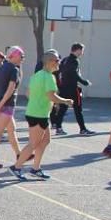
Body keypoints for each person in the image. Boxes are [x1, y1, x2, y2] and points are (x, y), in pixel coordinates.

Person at [10, 51, 73, 180]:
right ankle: (16, 167)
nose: (58, 63)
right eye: (56, 61)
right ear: (49, 62)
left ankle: (36, 168)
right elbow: (51, 96)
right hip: (38, 115)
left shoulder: (37, 75)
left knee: (45, 141)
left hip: (39, 113)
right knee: (33, 143)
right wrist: (65, 101)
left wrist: (42, 101)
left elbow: (28, 93)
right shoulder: (49, 77)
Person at [51, 43, 95, 136]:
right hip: (74, 88)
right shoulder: (74, 61)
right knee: (78, 109)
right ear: (77, 50)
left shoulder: (65, 60)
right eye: (82, 50)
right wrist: (84, 82)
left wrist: (60, 85)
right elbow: (74, 74)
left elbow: (58, 72)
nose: (82, 52)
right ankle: (83, 129)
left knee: (63, 108)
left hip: (64, 88)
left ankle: (58, 128)